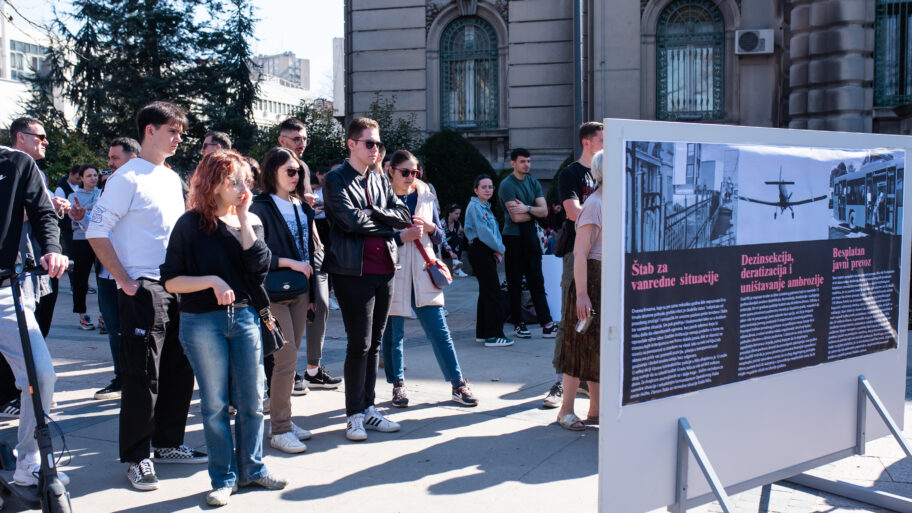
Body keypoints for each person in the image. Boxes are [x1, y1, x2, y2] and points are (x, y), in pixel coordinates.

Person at [87, 101, 207, 491]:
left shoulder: (170, 178)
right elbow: (96, 231)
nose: (178, 138)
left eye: (180, 132)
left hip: (176, 285)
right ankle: (138, 457)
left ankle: (169, 441)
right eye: (171, 131)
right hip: (143, 288)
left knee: (178, 367)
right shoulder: (126, 177)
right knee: (143, 375)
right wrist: (124, 280)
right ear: (149, 131)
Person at [161, 150, 286, 506]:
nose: (242, 186)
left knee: (251, 402)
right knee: (215, 405)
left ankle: (254, 470)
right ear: (213, 182)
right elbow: (170, 281)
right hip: (202, 322)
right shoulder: (190, 223)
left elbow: (258, 269)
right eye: (233, 180)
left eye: (246, 179)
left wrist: (245, 217)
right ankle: (223, 478)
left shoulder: (252, 221)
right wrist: (212, 281)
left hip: (245, 317)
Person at [323, 117, 411, 441]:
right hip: (351, 271)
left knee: (375, 344)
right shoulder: (336, 180)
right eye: (369, 143)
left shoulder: (379, 179)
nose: (376, 149)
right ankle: (354, 415)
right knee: (358, 344)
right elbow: (348, 222)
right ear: (352, 144)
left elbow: (402, 215)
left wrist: (375, 216)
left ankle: (370, 407)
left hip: (384, 269)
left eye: (377, 143)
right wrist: (383, 220)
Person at [250, 147, 338, 454]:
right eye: (289, 171)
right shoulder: (258, 206)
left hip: (300, 291)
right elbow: (255, 253)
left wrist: (313, 293)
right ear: (272, 171)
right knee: (285, 359)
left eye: (298, 171)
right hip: (272, 291)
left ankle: (283, 417)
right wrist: (289, 263)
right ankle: (280, 429)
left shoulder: (301, 206)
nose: (295, 176)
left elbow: (310, 250)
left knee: (290, 359)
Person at [380, 150, 478, 408]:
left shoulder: (425, 194)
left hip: (424, 271)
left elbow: (439, 236)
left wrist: (431, 228)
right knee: (393, 335)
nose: (411, 177)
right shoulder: (380, 196)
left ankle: (458, 383)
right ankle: (397, 385)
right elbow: (374, 240)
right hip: (394, 271)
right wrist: (403, 236)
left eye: (415, 172)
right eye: (405, 172)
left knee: (439, 331)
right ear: (391, 170)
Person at [0, 144, 70, 487]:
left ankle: (29, 459)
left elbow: (43, 212)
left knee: (40, 375)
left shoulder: (16, 163)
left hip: (4, 290)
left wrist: (53, 250)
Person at [276, 118, 339, 392]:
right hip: (284, 251)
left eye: (304, 139)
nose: (301, 144)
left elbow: (305, 210)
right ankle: (284, 373)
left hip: (311, 247)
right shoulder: (275, 163)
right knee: (287, 312)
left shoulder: (303, 166)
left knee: (320, 305)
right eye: (295, 139)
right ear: (282, 140)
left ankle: (311, 368)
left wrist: (316, 240)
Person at [544, 121, 603, 409]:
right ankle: (560, 381)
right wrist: (597, 215)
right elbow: (572, 212)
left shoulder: (602, 175)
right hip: (577, 253)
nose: (607, 143)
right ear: (587, 142)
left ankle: (584, 388)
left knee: (593, 322)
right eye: (602, 139)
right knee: (572, 318)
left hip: (599, 257)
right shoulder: (571, 173)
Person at [87, 137, 141, 400]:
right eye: (108, 158)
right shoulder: (107, 187)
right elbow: (97, 227)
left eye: (114, 158)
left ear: (132, 159)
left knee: (137, 330)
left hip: (132, 274)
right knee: (113, 327)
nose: (108, 164)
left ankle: (140, 379)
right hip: (106, 273)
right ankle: (121, 377)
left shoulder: (143, 186)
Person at [556, 150, 603, 430]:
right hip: (590, 280)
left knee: (597, 347)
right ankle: (566, 410)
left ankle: (595, 409)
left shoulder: (607, 202)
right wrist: (583, 293)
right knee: (577, 346)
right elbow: (581, 252)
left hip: (601, 280)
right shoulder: (594, 204)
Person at [11, 117, 63, 338]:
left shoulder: (36, 172)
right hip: (13, 265)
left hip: (37, 258)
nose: (46, 142)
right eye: (40, 137)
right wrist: (43, 207)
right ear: (21, 137)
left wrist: (56, 210)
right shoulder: (9, 168)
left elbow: (43, 218)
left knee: (37, 325)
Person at [498, 148, 556, 339]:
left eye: (529, 161)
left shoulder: (533, 182)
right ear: (512, 163)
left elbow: (545, 211)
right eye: (523, 161)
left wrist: (527, 208)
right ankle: (518, 323)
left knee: (536, 281)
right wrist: (533, 211)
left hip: (530, 236)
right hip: (513, 237)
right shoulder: (507, 185)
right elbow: (515, 217)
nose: (527, 165)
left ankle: (547, 323)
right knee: (515, 282)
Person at [465, 175, 513, 348]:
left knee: (487, 292)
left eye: (490, 187)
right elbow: (484, 232)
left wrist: (497, 248)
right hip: (480, 249)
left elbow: (491, 232)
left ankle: (483, 333)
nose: (488, 190)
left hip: (485, 249)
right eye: (483, 187)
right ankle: (494, 335)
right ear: (475, 190)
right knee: (493, 293)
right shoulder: (476, 207)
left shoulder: (484, 206)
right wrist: (499, 248)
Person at [67, 164, 102, 330]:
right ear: (81, 178)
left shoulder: (102, 193)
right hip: (81, 239)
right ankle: (82, 316)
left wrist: (85, 210)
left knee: (103, 278)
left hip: (100, 238)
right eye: (89, 176)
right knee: (81, 279)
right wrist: (88, 210)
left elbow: (101, 212)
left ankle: (104, 316)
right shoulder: (73, 196)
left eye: (95, 175)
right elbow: (72, 215)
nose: (93, 178)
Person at [438, 203, 469, 278]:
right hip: (443, 248)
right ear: (450, 213)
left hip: (453, 247)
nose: (458, 215)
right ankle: (456, 265)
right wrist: (450, 252)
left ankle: (456, 266)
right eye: (456, 213)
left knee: (458, 239)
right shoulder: (443, 223)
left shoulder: (458, 224)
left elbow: (459, 237)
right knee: (455, 238)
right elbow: (442, 240)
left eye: (459, 214)